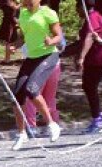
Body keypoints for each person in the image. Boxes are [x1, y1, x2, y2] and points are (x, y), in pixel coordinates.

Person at [9, 0, 64, 151]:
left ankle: (52, 125)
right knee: (16, 96)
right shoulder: (23, 14)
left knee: (32, 89)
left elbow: (58, 36)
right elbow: (24, 37)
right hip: (31, 58)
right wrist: (15, 45)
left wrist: (50, 41)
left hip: (48, 56)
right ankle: (21, 134)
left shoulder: (48, 13)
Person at [75, 0, 102, 133]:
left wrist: (81, 57)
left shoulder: (93, 17)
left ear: (82, 7)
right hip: (97, 58)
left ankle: (97, 121)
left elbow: (89, 37)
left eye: (77, 8)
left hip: (98, 58)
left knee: (89, 86)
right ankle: (100, 115)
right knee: (89, 86)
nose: (76, 11)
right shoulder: (96, 16)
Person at [23, 61, 60, 129]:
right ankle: (54, 122)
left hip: (37, 67)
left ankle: (31, 125)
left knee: (32, 97)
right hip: (54, 65)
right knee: (49, 98)